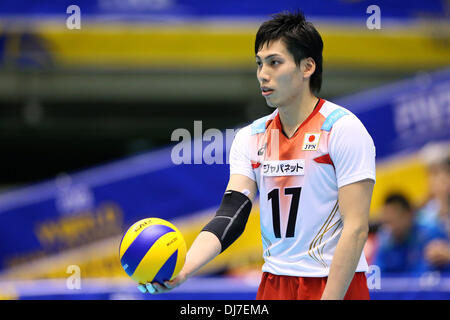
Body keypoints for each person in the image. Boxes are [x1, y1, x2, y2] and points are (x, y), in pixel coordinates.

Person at [139, 11, 376, 300]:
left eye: (275, 62)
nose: (263, 74)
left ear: (307, 67)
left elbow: (356, 228)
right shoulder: (250, 137)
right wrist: (185, 268)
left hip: (333, 283)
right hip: (275, 284)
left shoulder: (342, 129)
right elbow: (231, 213)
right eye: (259, 64)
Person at [373, 193, 449, 274]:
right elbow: (377, 274)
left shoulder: (431, 234)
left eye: (395, 219)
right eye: (387, 222)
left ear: (409, 214)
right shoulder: (385, 241)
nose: (391, 227)